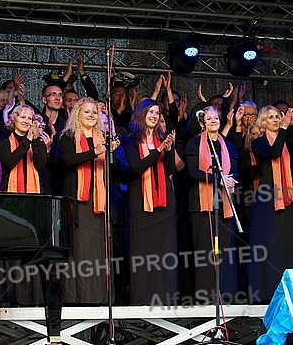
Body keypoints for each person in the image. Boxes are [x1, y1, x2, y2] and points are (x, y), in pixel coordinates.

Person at [59, 97, 118, 303]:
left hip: (99, 201)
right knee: (81, 249)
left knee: (98, 251)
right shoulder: (68, 136)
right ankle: (79, 297)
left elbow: (115, 171)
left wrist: (112, 153)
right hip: (79, 200)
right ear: (77, 114)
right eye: (86, 112)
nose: (92, 115)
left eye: (94, 112)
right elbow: (68, 161)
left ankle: (99, 297)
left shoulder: (102, 137)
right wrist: (95, 152)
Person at [248, 105, 293, 302]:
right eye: (271, 117)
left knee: (291, 242)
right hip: (268, 195)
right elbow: (273, 152)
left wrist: (292, 127)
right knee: (273, 241)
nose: (275, 120)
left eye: (277, 116)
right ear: (263, 122)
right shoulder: (259, 142)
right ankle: (269, 289)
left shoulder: (285, 137)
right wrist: (283, 128)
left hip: (289, 193)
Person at [122, 98, 177, 305]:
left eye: (157, 113)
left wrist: (168, 150)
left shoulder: (162, 138)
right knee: (144, 250)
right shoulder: (130, 140)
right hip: (141, 200)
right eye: (150, 112)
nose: (154, 116)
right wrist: (158, 150)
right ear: (141, 115)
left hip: (165, 200)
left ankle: (166, 297)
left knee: (165, 248)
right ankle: (142, 299)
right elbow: (137, 167)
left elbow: (170, 170)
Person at [185, 106, 239, 301]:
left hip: (224, 202)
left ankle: (226, 295)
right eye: (209, 118)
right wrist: (219, 177)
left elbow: (235, 169)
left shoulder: (227, 145)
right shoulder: (194, 143)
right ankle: (206, 297)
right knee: (205, 252)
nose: (213, 121)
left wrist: (230, 179)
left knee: (224, 252)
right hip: (201, 204)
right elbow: (193, 172)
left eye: (216, 118)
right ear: (202, 122)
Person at [0, 104, 47, 193]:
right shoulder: (3, 143)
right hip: (9, 192)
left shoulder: (38, 143)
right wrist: (27, 140)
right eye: (23, 117)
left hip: (34, 193)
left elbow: (40, 165)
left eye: (30, 118)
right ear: (13, 119)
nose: (26, 121)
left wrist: (34, 140)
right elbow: (10, 162)